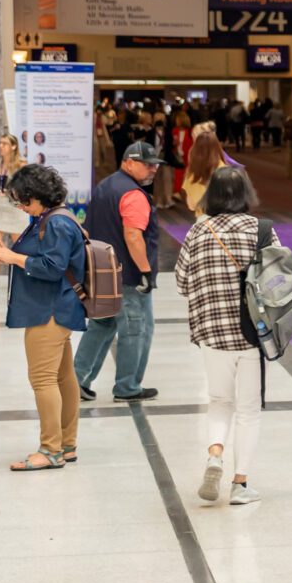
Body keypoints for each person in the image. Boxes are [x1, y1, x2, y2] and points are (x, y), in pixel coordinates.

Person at [177, 166, 277, 506]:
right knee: (248, 409)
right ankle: (240, 484)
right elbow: (281, 277)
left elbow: (181, 282)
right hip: (252, 333)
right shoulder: (261, 229)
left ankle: (215, 455)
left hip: (211, 332)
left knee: (220, 401)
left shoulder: (198, 232)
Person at [0, 163, 87, 472]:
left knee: (43, 379)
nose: (21, 206)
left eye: (24, 200)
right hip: (59, 308)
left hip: (50, 311)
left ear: (39, 196)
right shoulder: (56, 217)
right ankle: (66, 445)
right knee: (62, 377)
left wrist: (11, 257)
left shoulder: (55, 223)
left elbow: (52, 267)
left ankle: (51, 450)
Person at [74, 140, 162, 404]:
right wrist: (145, 272)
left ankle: (76, 379)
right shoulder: (133, 194)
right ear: (129, 162)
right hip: (129, 276)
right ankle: (128, 386)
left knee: (102, 325)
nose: (153, 170)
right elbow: (133, 236)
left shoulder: (105, 186)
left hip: (103, 271)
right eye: (147, 165)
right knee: (137, 328)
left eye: (155, 165)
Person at [0, 134, 27, 291]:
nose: (1, 146)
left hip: (15, 208)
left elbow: (25, 187)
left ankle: (23, 277)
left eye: (5, 143)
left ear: (13, 146)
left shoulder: (21, 165)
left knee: (20, 245)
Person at [181, 123, 223, 217]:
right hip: (224, 223)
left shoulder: (193, 174)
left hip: (203, 222)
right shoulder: (226, 171)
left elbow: (191, 205)